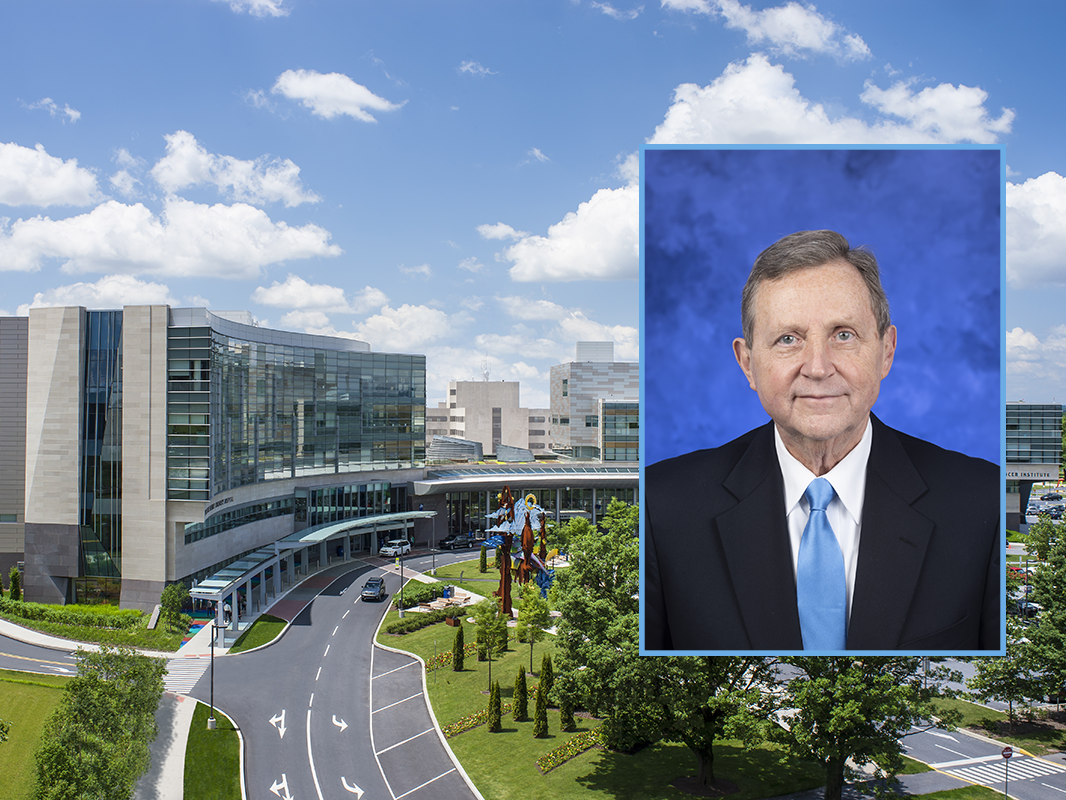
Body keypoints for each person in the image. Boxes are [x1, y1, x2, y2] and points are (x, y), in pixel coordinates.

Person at [643, 230, 1000, 652]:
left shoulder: (982, 502)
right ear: (748, 363)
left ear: (886, 351)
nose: (817, 367)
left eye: (843, 335)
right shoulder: (661, 507)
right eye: (788, 339)